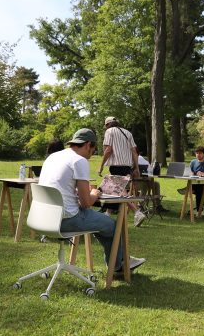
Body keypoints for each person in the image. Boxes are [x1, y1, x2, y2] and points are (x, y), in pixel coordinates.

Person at [38, 128, 145, 275]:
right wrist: (94, 193)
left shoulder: (53, 157)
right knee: (113, 225)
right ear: (88, 144)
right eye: (93, 150)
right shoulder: (79, 160)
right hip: (65, 219)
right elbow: (86, 203)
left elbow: (58, 186)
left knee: (99, 221)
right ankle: (117, 266)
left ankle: (117, 260)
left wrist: (75, 192)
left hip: (42, 218)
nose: (92, 154)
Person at [98, 116, 146, 227]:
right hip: (127, 166)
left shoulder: (110, 132)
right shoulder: (128, 133)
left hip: (116, 166)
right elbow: (134, 152)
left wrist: (101, 166)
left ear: (108, 125)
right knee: (115, 190)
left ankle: (137, 212)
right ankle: (108, 213)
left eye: (105, 126)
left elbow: (108, 150)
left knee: (118, 191)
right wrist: (136, 168)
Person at [136, 148, 167, 213]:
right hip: (134, 181)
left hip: (144, 180)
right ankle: (140, 206)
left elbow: (149, 170)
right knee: (145, 186)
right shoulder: (128, 159)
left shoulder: (141, 159)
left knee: (156, 184)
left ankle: (157, 206)